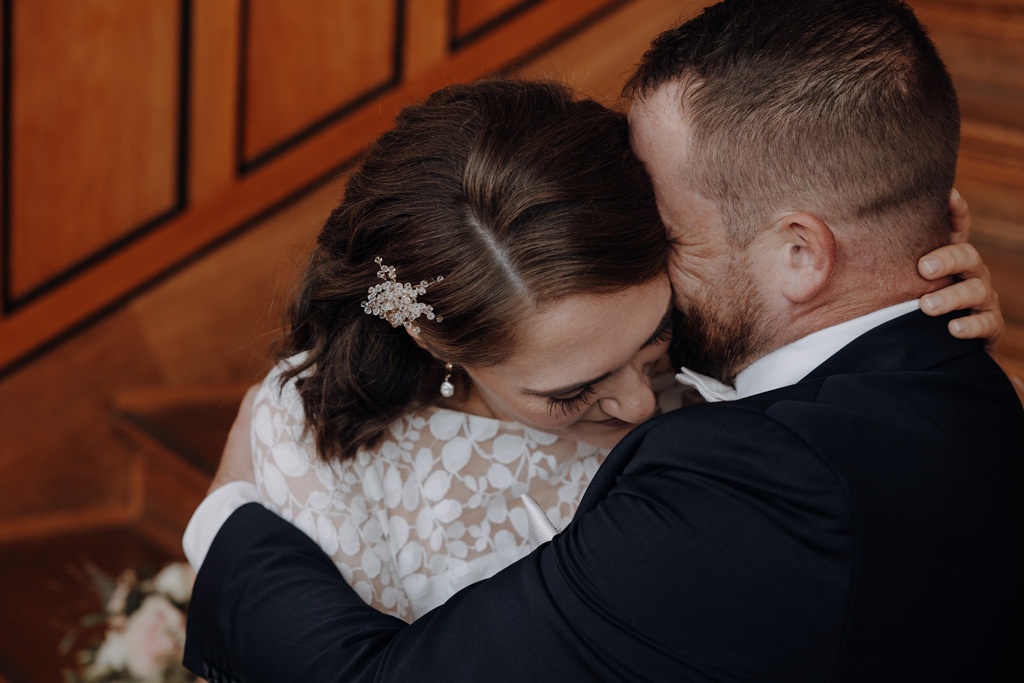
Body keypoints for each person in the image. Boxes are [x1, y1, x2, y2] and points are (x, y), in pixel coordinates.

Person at [183, 1, 1023, 680]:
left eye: (662, 224)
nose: (632, 400)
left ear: (802, 254)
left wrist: (223, 514)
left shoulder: (753, 484)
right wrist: (897, 298)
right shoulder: (957, 385)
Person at [245, 78, 680, 621]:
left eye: (656, 335)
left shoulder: (726, 340)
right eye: (572, 391)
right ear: (430, 336)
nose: (642, 405)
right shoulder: (326, 449)